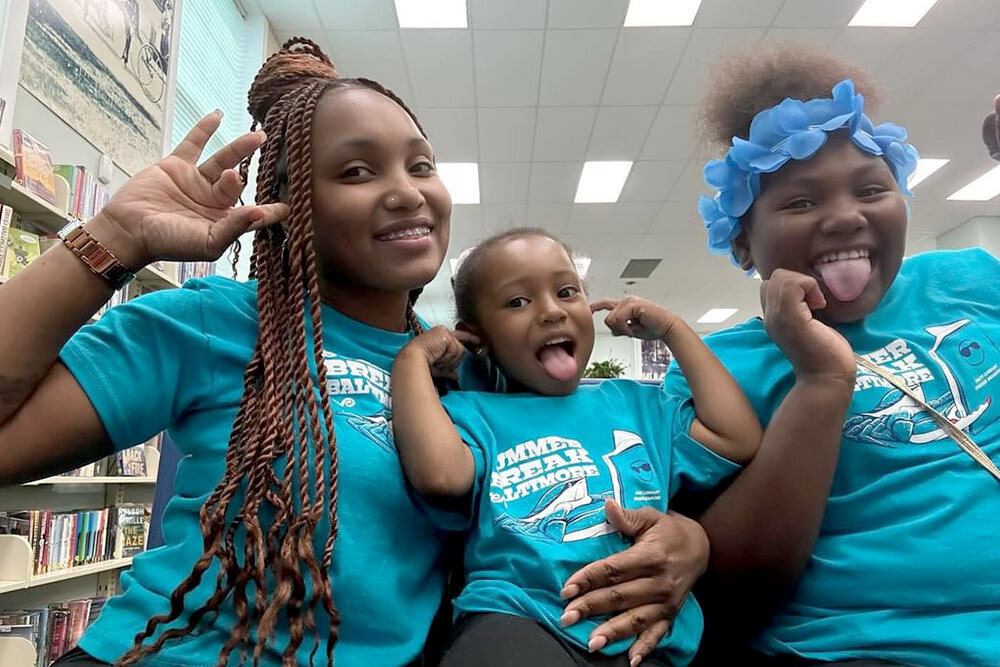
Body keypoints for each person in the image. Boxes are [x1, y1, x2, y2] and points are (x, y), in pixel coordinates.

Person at [0, 39, 712, 666]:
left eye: (420, 165)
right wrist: (116, 238)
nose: (406, 192)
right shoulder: (218, 322)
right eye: (357, 172)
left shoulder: (475, 371)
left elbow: (564, 503)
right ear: (288, 201)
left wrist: (689, 540)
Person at [677, 45, 1000, 666]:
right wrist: (821, 381)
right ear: (743, 243)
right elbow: (731, 590)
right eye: (800, 202)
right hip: (861, 647)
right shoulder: (712, 368)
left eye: (872, 188)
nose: (845, 216)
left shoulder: (969, 278)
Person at [391, 228, 762, 667]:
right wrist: (411, 361)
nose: (551, 311)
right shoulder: (473, 412)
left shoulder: (635, 403)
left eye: (567, 292)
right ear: (479, 336)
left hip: (644, 628)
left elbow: (736, 438)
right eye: (517, 302)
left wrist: (673, 330)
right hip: (518, 615)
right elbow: (439, 475)